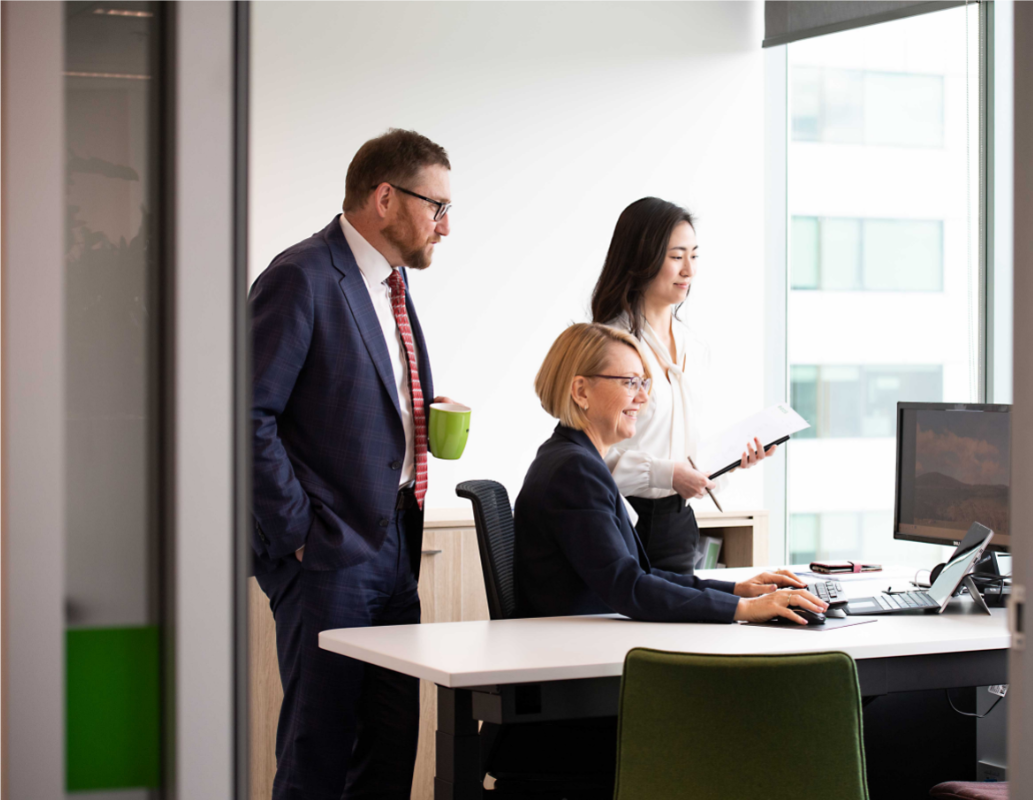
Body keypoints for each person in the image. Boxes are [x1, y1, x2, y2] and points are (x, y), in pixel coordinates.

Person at [250, 128, 457, 800]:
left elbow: (349, 395)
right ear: (385, 198)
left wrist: (419, 410)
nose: (445, 227)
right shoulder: (301, 276)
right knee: (321, 750)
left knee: (392, 746)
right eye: (437, 207)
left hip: (398, 540)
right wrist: (299, 534)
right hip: (329, 553)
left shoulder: (391, 282)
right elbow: (246, 415)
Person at [514, 322, 826, 625]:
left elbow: (638, 574)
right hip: (576, 655)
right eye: (629, 382)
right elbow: (629, 587)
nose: (643, 397)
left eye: (643, 382)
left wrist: (736, 591)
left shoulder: (569, 456)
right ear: (581, 391)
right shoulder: (576, 470)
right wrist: (743, 608)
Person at [590, 197, 777, 574]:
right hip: (621, 521)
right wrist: (667, 474)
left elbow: (687, 451)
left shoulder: (693, 346)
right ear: (642, 257)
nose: (688, 270)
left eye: (694, 255)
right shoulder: (611, 345)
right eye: (676, 256)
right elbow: (590, 462)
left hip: (678, 524)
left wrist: (730, 463)